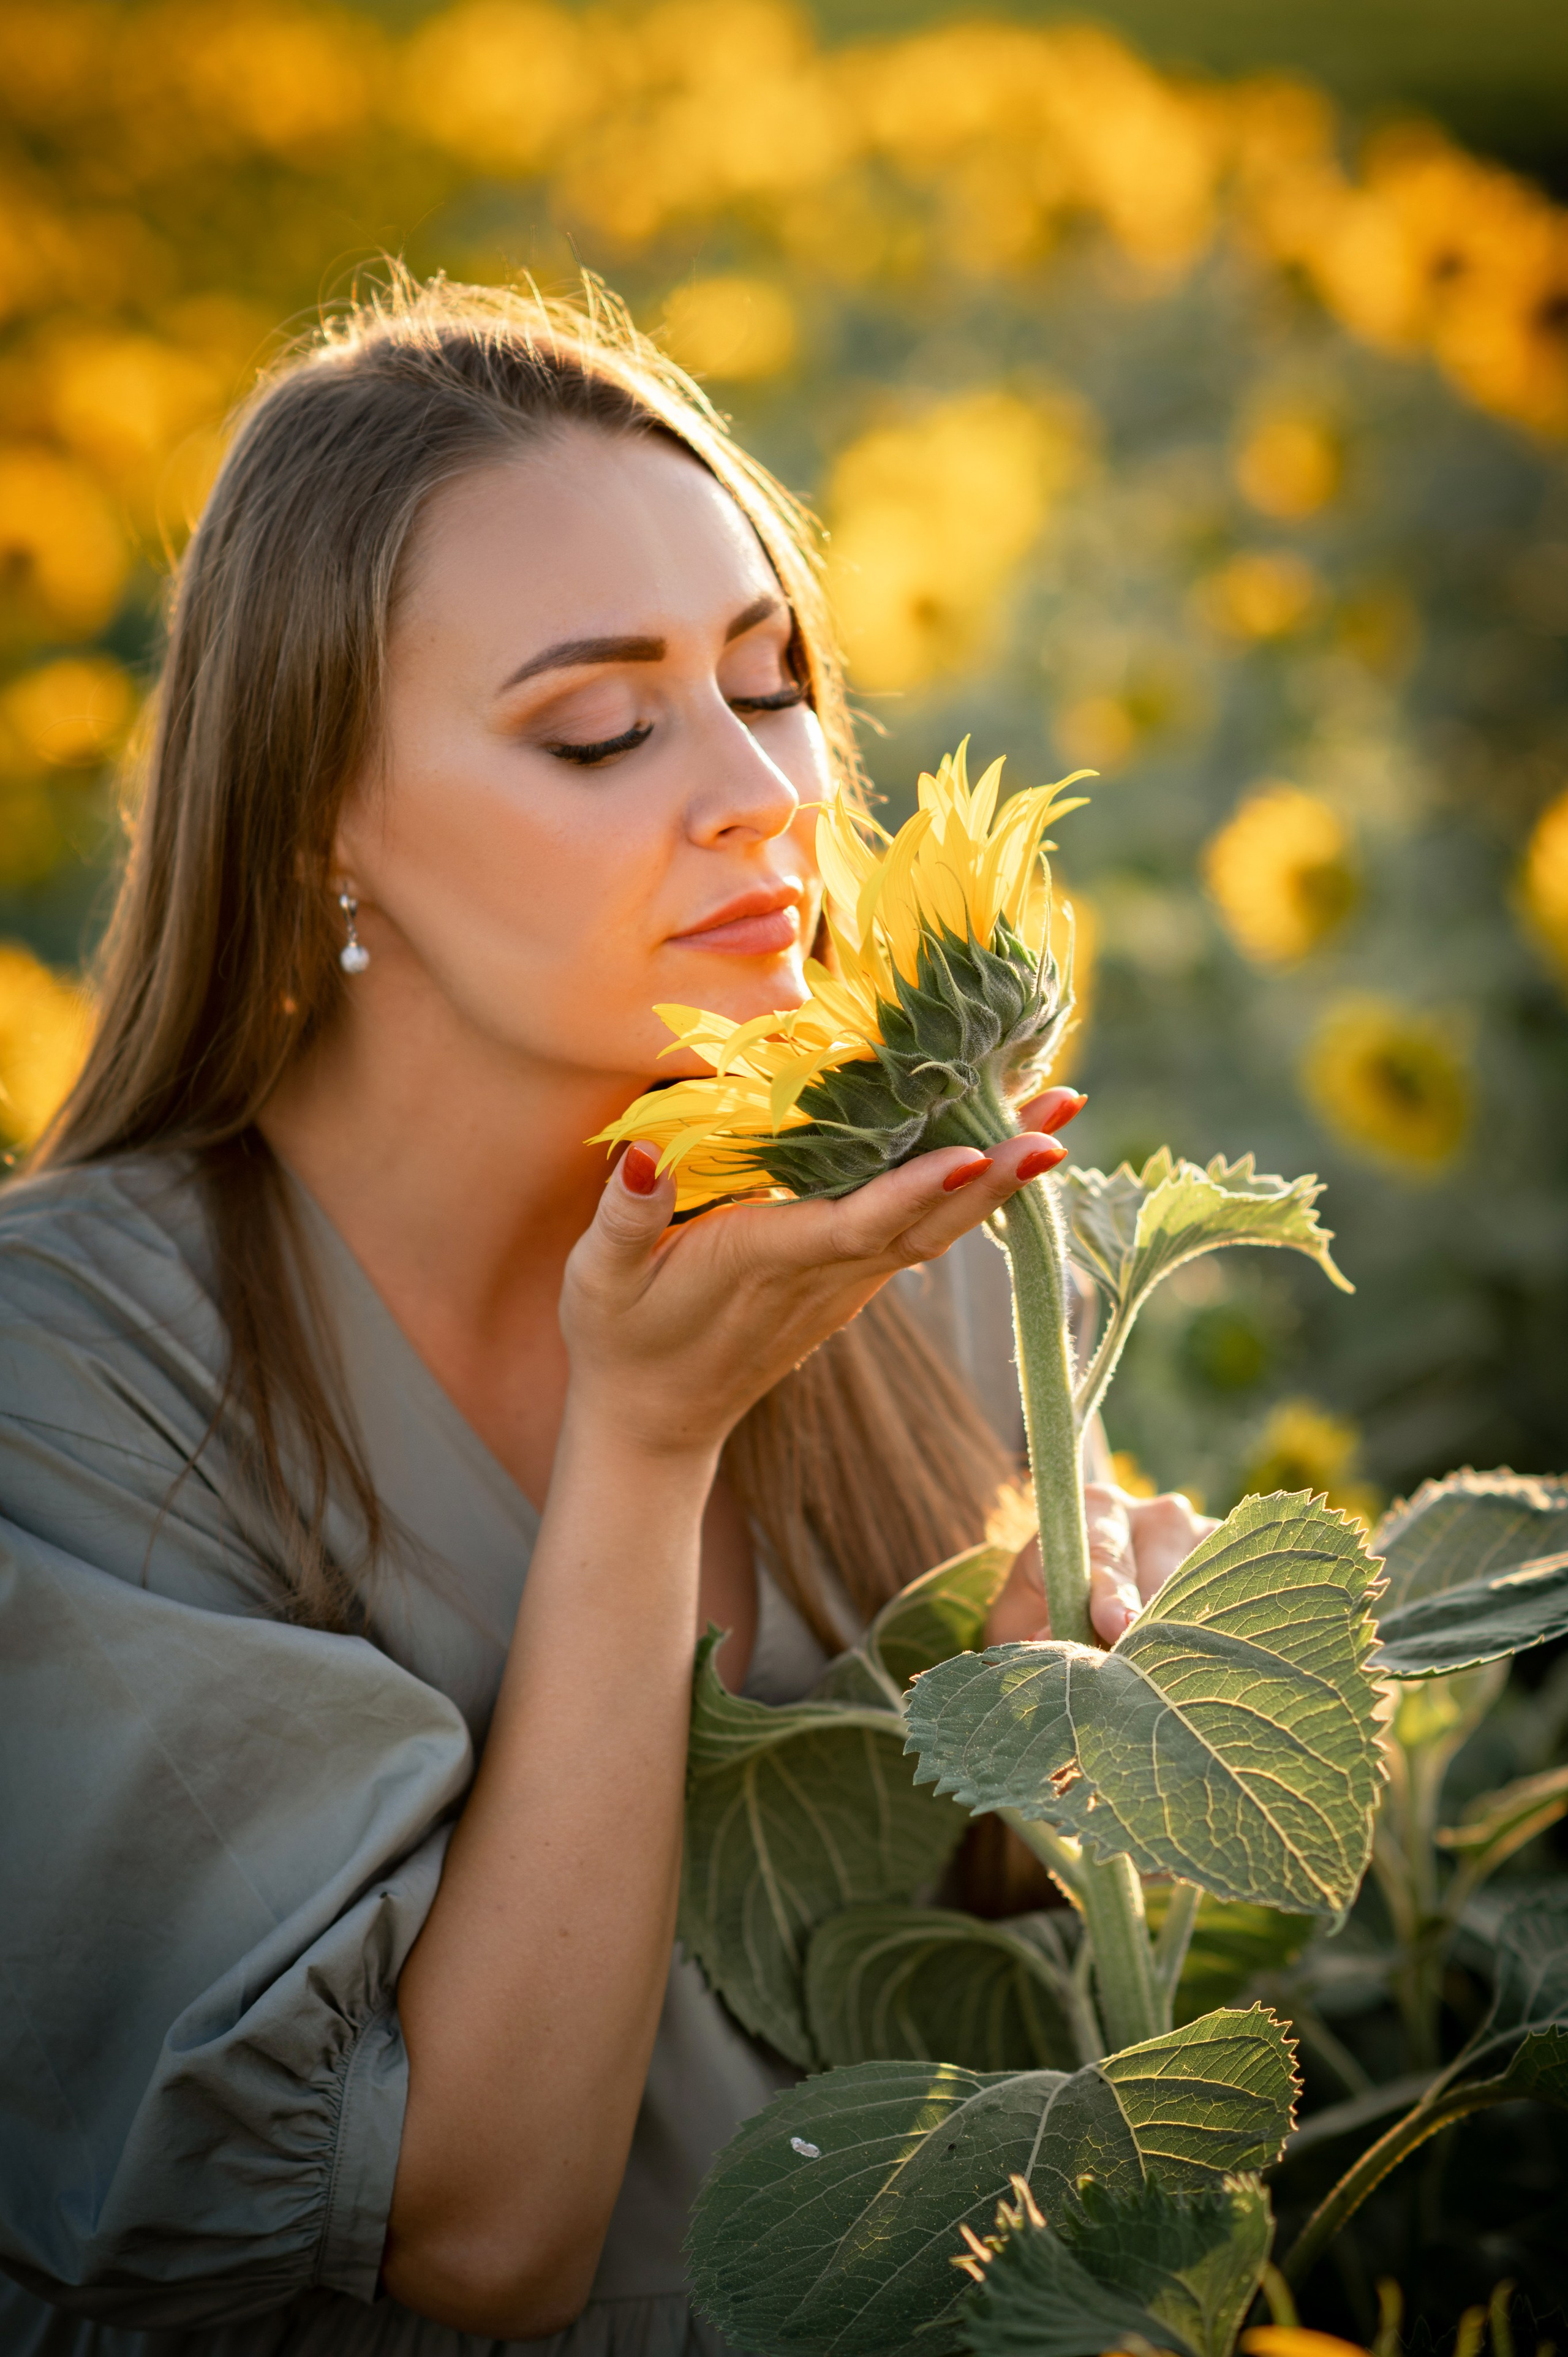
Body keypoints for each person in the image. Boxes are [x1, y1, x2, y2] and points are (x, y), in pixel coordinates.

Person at [0, 276, 1213, 2356]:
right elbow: (479, 2237)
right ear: (319, 824)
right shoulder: (72, 1377)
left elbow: (1035, 2030)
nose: (764, 794)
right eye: (599, 726)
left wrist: (1091, 1728)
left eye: (774, 678)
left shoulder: (910, 1263)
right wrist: (647, 1446)